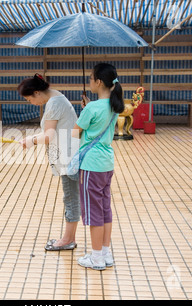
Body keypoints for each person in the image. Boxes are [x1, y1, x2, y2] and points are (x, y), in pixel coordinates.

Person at [18, 74, 80, 251]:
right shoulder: (57, 98)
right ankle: (69, 237)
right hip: (69, 154)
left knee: (70, 197)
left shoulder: (54, 104)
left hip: (67, 157)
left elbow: (49, 135)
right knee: (71, 196)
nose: (31, 103)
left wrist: (30, 141)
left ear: (37, 93)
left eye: (30, 99)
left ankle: (68, 239)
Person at [72, 63, 124, 270]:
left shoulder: (92, 108)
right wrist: (88, 108)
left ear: (99, 82)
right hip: (106, 164)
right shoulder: (113, 106)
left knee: (93, 212)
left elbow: (75, 133)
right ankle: (105, 253)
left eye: (91, 78)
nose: (90, 81)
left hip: (90, 166)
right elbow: (98, 120)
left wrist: (85, 111)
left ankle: (96, 258)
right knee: (104, 209)